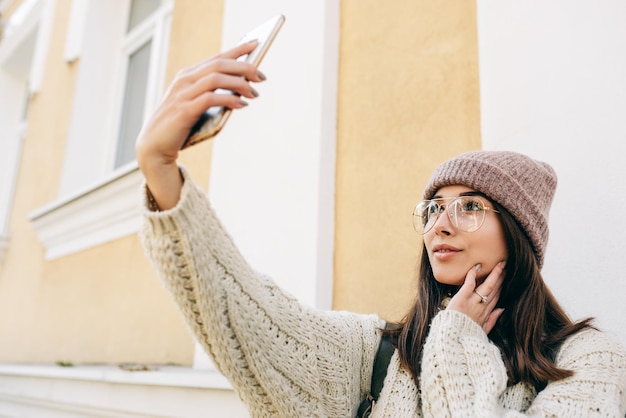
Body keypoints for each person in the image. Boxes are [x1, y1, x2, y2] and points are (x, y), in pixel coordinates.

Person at [136, 41, 626, 417]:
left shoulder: (590, 363)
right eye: (433, 208)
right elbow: (247, 318)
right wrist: (160, 171)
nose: (442, 223)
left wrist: (456, 343)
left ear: (519, 234)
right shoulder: (376, 353)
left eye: (471, 205)